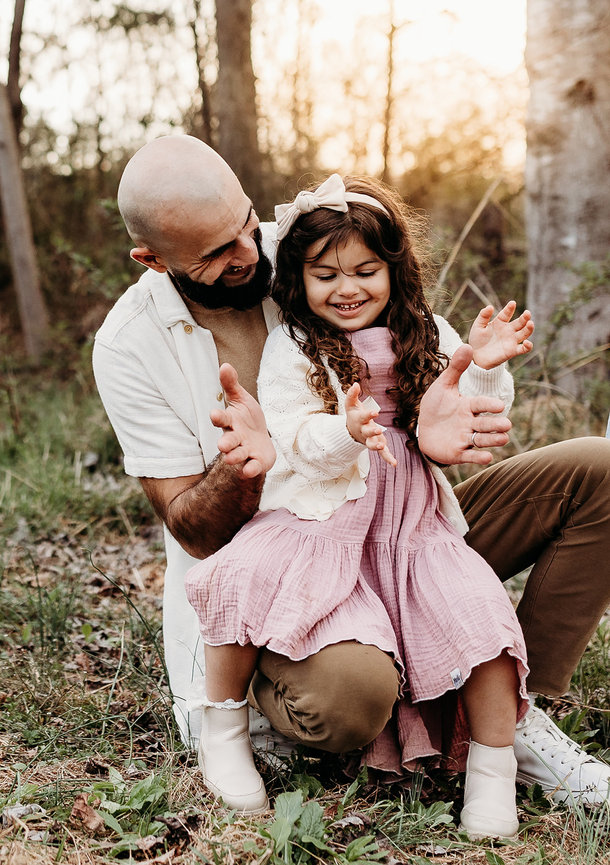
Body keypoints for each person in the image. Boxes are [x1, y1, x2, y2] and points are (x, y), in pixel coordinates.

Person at [92, 134, 610, 812]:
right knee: (350, 698)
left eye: (245, 225)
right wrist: (240, 470)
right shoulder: (130, 344)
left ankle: (513, 719)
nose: (250, 253)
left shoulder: (319, 244)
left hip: (407, 528)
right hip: (291, 563)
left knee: (598, 473)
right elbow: (191, 527)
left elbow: (438, 356)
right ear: (153, 258)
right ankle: (345, 696)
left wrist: (460, 393)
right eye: (216, 253)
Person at [184, 173, 533, 837]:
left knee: (483, 620)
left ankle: (494, 770)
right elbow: (292, 435)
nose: (347, 289)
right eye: (326, 275)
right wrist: (345, 431)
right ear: (299, 282)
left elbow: (461, 407)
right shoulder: (296, 344)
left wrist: (481, 371)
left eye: (366, 270)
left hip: (411, 521)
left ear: (393, 270)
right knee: (243, 577)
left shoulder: (425, 329)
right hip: (319, 514)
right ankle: (223, 721)